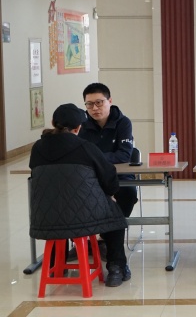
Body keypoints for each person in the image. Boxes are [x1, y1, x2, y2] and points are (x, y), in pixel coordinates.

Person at [29, 104, 130, 287]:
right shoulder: (85, 147)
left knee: (58, 204)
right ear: (78, 128)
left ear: (53, 122)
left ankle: (54, 263)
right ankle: (116, 268)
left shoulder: (37, 147)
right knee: (115, 216)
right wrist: (110, 194)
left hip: (43, 218)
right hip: (83, 218)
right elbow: (109, 178)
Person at [79, 83, 137, 217]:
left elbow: (124, 155)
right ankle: (94, 226)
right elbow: (79, 154)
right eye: (89, 104)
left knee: (128, 192)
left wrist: (94, 158)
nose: (94, 108)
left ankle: (117, 226)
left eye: (99, 103)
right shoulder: (82, 124)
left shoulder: (123, 123)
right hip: (92, 175)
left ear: (110, 101)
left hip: (120, 175)